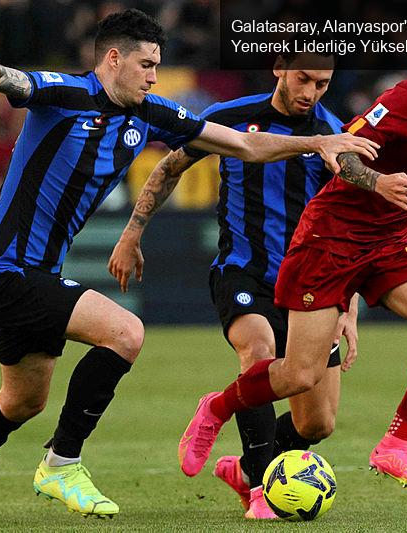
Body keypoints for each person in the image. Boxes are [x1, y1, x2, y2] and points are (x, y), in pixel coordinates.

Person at [0, 8, 377, 523]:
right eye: (146, 64)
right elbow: (3, 73)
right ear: (114, 58)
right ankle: (61, 463)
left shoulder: (151, 113)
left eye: (158, 65)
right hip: (4, 270)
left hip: (39, 274)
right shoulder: (67, 92)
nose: (153, 75)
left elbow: (244, 144)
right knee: (125, 333)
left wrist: (318, 141)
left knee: (21, 402)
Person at [177, 26, 407, 496]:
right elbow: (343, 155)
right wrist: (379, 183)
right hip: (332, 236)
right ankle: (216, 408)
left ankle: (396, 444)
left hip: (391, 239)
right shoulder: (406, 101)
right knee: (299, 374)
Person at [108, 50, 359, 520]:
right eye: (303, 78)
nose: (310, 93)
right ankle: (263, 488)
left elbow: (349, 228)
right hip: (243, 271)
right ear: (279, 68)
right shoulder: (229, 117)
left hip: (309, 284)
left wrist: (348, 306)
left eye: (322, 83)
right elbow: (169, 169)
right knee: (258, 352)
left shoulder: (334, 134)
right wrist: (132, 231)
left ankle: (243, 469)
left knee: (317, 423)